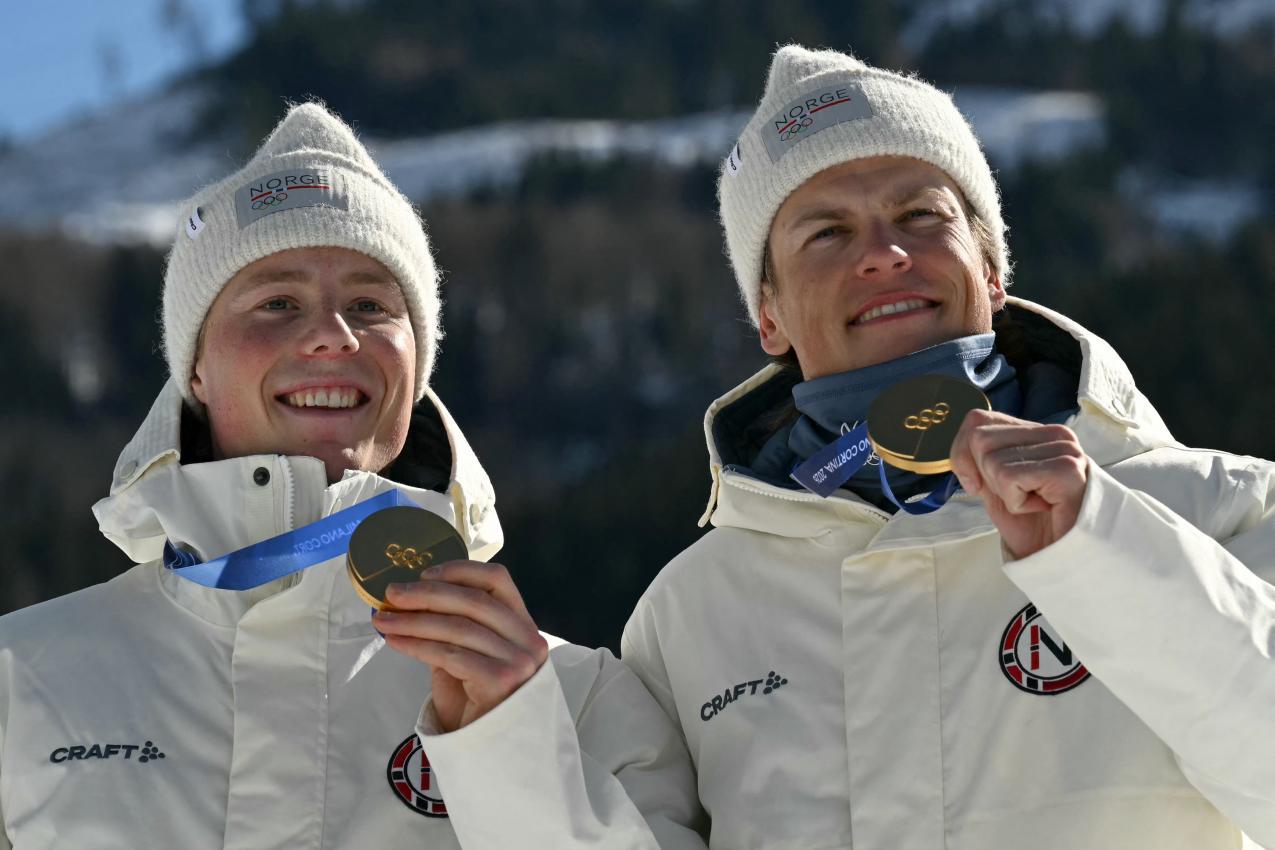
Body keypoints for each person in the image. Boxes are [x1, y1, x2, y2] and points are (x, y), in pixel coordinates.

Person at [0, 102, 706, 849]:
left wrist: (515, 751)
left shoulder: (578, 697)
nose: (332, 336)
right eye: (277, 301)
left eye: (370, 304)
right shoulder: (23, 678)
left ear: (417, 362)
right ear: (196, 370)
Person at [621, 44, 1275, 850]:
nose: (883, 253)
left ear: (991, 269)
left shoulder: (1220, 508)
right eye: (825, 233)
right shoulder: (690, 613)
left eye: (921, 217)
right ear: (770, 319)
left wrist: (1102, 549)